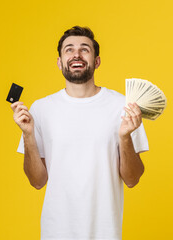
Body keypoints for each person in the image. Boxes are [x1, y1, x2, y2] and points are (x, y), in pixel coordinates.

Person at [11, 26, 149, 240]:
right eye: (69, 50)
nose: (76, 54)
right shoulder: (41, 109)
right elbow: (37, 181)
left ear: (97, 61)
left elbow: (132, 179)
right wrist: (28, 135)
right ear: (59, 62)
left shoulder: (123, 107)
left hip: (105, 233)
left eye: (84, 49)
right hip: (56, 232)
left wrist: (125, 137)